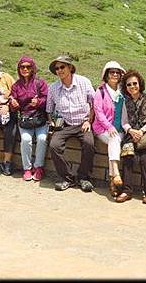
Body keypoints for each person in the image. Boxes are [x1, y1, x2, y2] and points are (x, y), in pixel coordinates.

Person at [46, 55, 96, 192]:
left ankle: (83, 177)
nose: (59, 70)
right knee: (54, 145)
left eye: (62, 67)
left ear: (70, 68)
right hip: (64, 124)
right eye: (57, 68)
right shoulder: (53, 88)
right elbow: (49, 109)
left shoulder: (84, 82)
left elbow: (94, 103)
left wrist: (88, 121)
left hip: (83, 123)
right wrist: (52, 123)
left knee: (89, 144)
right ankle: (67, 178)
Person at [115, 69, 146, 204]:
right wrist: (131, 131)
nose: (132, 87)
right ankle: (127, 190)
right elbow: (124, 121)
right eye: (129, 84)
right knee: (128, 156)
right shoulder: (125, 101)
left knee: (143, 158)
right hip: (131, 134)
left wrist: (141, 130)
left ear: (139, 84)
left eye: (135, 83)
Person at [9, 56, 49, 182]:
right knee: (26, 140)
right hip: (25, 119)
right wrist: (13, 104)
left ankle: (38, 167)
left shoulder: (40, 83)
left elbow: (47, 99)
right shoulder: (16, 86)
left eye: (28, 67)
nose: (25, 69)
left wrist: (38, 102)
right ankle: (27, 168)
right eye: (22, 67)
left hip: (39, 118)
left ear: (33, 68)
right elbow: (12, 102)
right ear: (19, 69)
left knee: (42, 139)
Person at [92, 61, 126, 197]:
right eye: (112, 72)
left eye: (118, 72)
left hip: (120, 129)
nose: (115, 75)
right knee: (114, 139)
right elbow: (98, 112)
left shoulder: (123, 92)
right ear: (106, 75)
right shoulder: (100, 92)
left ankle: (113, 180)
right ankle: (116, 173)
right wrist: (109, 126)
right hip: (103, 129)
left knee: (115, 140)